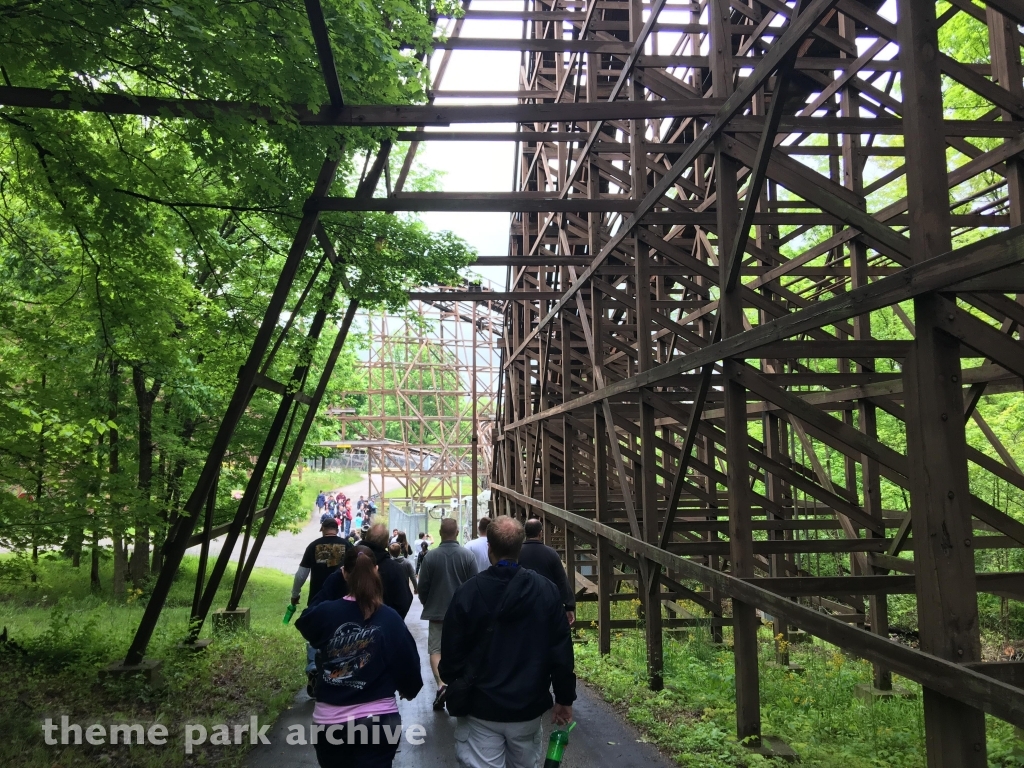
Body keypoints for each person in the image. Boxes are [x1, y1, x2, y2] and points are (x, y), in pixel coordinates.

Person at [440, 517, 575, 768]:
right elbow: (561, 649)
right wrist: (564, 698)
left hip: (480, 708)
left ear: (489, 547)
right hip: (527, 708)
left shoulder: (468, 592)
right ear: (520, 548)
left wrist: (456, 679)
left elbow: (451, 652)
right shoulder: (545, 590)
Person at [296, 545, 423, 768]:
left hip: (330, 723)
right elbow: (408, 662)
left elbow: (306, 619)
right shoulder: (389, 618)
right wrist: (409, 689)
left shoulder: (326, 613)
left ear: (344, 572)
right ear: (376, 570)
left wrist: (336, 578)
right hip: (378, 722)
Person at [417, 518, 479, 710]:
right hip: (462, 613)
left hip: (437, 612)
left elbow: (423, 587)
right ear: (457, 533)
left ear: (441, 533)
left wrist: (427, 602)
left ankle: (442, 684)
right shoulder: (467, 556)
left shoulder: (430, 557)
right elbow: (474, 584)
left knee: (436, 650)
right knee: (463, 649)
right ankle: (462, 685)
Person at [291, 519, 351, 684]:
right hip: (344, 601)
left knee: (315, 634)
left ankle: (313, 668)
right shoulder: (347, 546)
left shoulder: (313, 546)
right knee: (342, 635)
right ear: (337, 529)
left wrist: (295, 594)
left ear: (322, 528)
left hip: (318, 599)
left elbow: (301, 574)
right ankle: (340, 672)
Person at [314, 524, 414, 619]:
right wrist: (388, 622)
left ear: (366, 537)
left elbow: (321, 603)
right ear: (386, 543)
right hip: (383, 631)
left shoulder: (348, 563)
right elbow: (404, 601)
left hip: (345, 629)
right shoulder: (394, 569)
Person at [518, 518, 577, 626]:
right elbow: (561, 580)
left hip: (523, 603)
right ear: (541, 533)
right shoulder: (551, 553)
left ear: (525, 533)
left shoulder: (517, 553)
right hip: (546, 604)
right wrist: (569, 606)